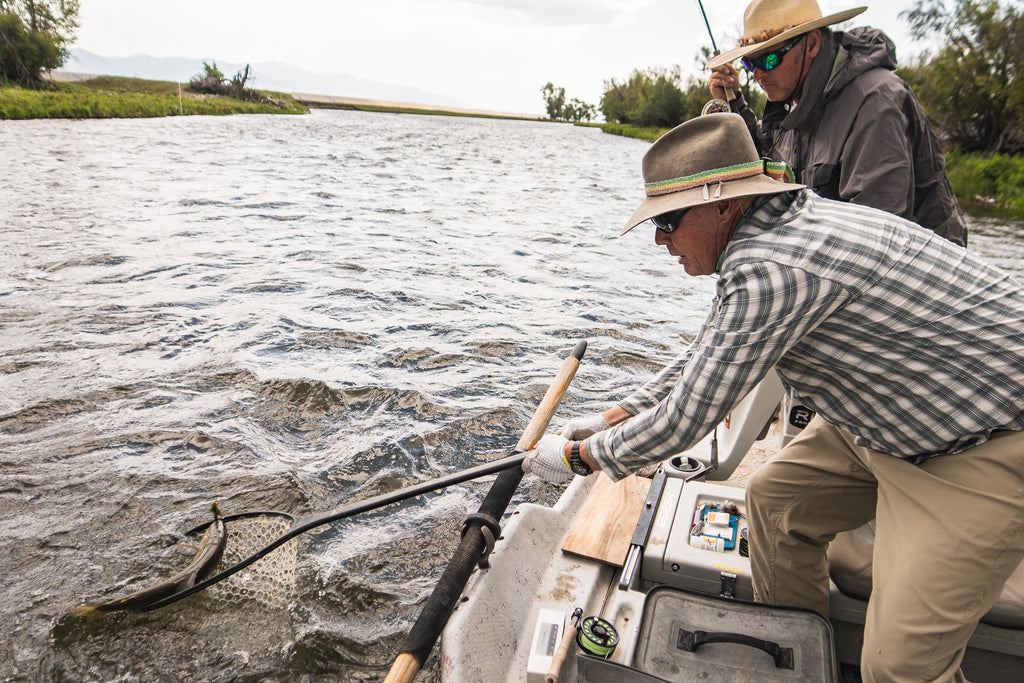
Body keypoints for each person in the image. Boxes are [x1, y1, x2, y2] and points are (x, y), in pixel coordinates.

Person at [522, 113, 1024, 683]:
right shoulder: (769, 233)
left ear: (721, 204)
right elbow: (705, 354)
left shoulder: (771, 269)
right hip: (890, 416)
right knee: (774, 505)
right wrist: (611, 418)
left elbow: (688, 418)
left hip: (982, 442)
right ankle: (801, 660)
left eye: (666, 221)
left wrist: (577, 459)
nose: (661, 241)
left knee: (901, 668)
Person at [705, 0, 968, 247]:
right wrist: (734, 102)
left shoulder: (874, 102)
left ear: (811, 44)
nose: (759, 73)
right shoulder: (795, 102)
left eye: (769, 59)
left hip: (916, 285)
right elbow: (765, 160)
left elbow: (877, 236)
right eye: (750, 63)